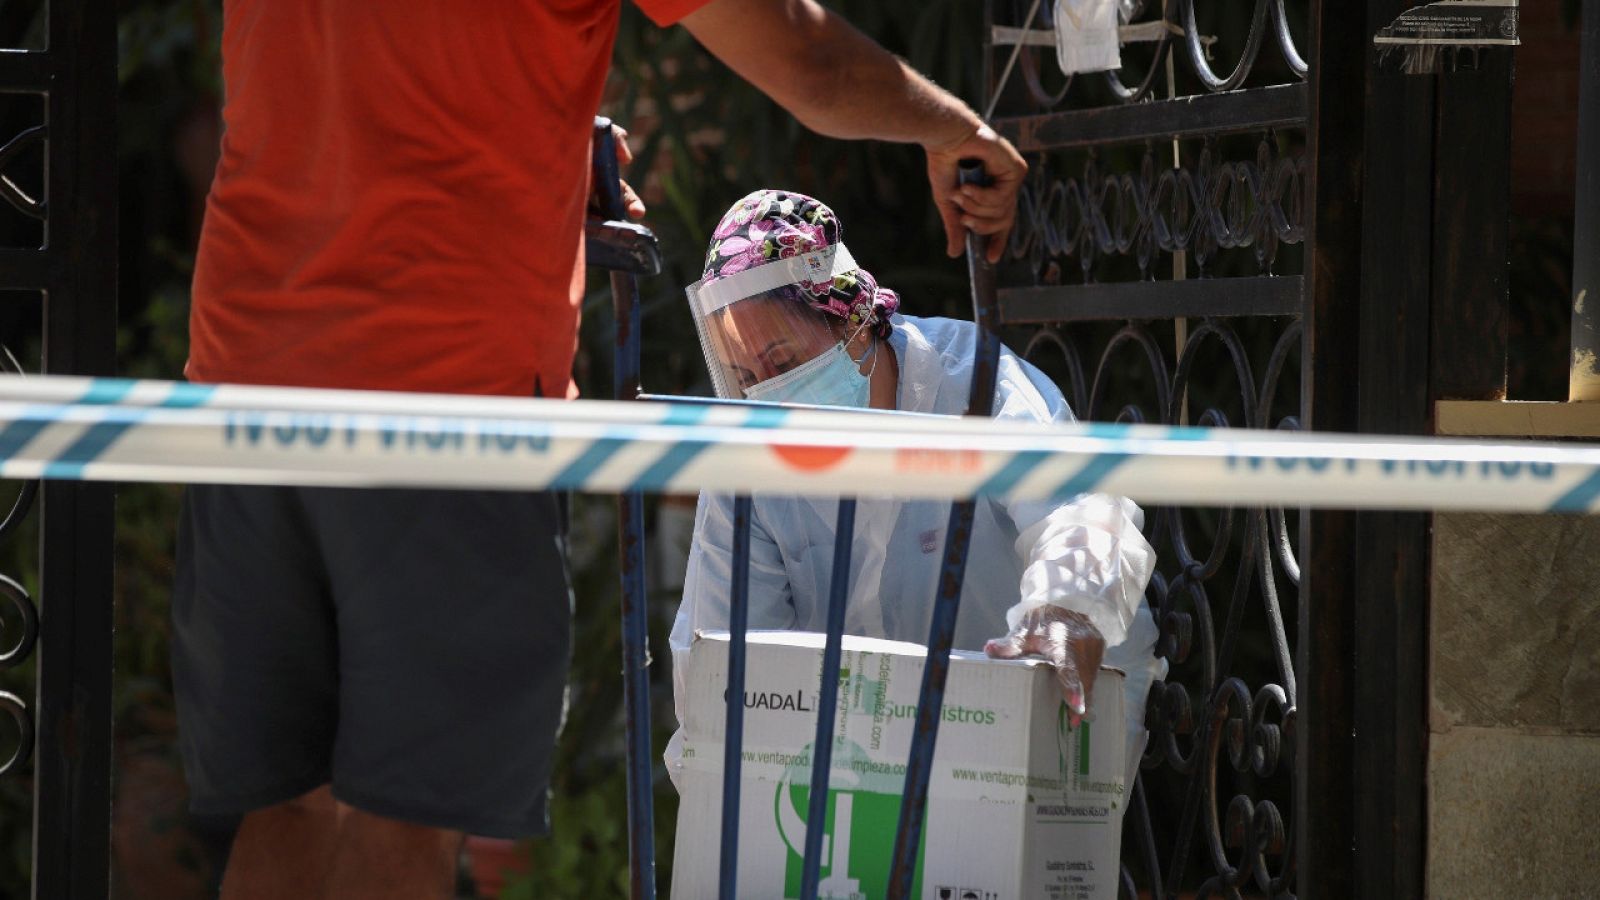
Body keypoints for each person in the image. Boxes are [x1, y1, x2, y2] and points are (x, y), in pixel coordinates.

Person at [173, 2, 1028, 898]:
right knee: (407, 817)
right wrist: (954, 128)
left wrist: (531, 133)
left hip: (243, 381)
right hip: (446, 400)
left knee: (285, 805)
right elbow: (806, 58)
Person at [668, 190, 1164, 793]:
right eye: (747, 378)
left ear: (850, 319)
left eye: (783, 361)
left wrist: (1065, 611)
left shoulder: (971, 386)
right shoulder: (746, 460)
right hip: (849, 775)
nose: (769, 393)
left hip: (1029, 732)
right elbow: (718, 660)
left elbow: (1078, 508)